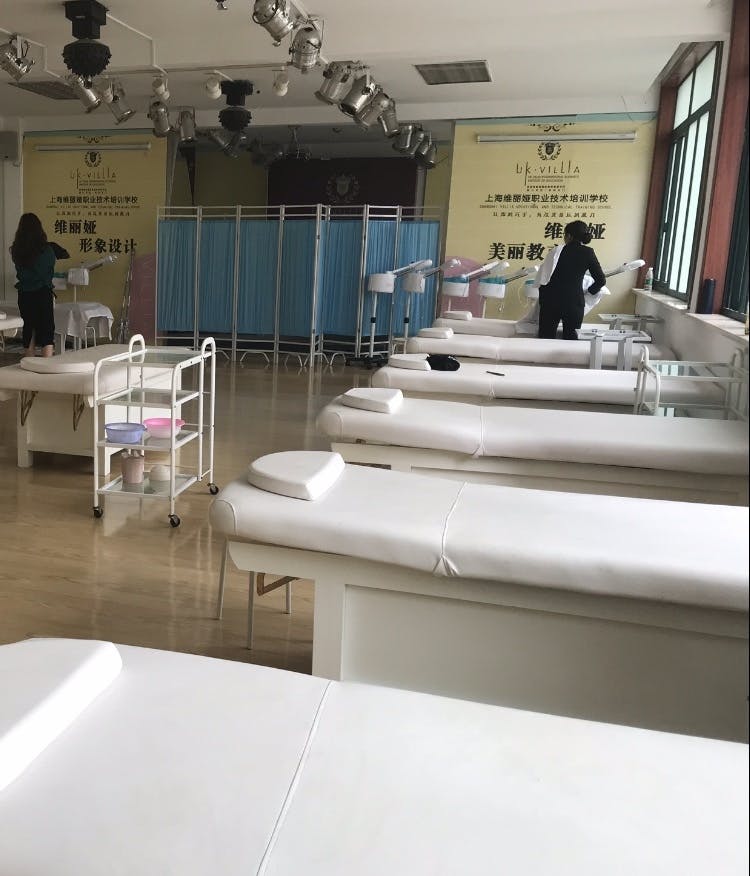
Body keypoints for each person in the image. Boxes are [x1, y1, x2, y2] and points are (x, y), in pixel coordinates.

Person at [10, 213, 69, 357]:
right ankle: (46, 363)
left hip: (24, 294)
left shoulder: (16, 250)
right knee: (46, 328)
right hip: (42, 293)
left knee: (28, 327)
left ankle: (29, 361)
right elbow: (48, 269)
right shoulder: (46, 250)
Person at [537, 220, 606, 340]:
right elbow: (601, 280)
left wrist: (543, 298)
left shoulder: (555, 251)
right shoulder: (588, 252)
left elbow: (543, 278)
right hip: (574, 303)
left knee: (545, 339)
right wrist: (588, 292)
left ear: (569, 236)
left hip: (550, 302)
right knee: (571, 341)